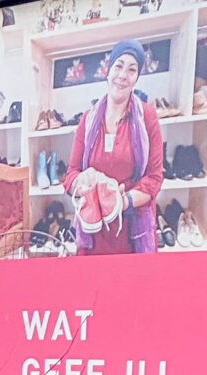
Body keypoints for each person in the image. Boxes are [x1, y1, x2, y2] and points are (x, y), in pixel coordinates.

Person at [62, 37, 164, 255]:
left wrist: (123, 201)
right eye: (118, 66)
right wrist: (82, 181)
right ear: (108, 71)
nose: (122, 76)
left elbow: (154, 178)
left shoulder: (147, 116)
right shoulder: (88, 121)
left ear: (137, 77)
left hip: (131, 230)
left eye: (132, 69)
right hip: (93, 230)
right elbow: (70, 175)